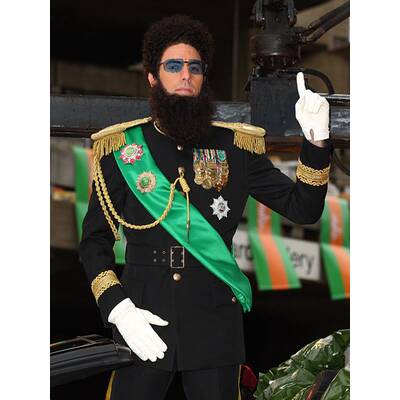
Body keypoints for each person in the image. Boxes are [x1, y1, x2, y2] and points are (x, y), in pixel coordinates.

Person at [79, 14, 331, 400]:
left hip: (214, 321)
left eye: (194, 67)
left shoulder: (236, 147)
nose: (185, 75)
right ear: (153, 77)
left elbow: (303, 209)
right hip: (142, 314)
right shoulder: (123, 148)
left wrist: (316, 141)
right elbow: (94, 242)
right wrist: (118, 308)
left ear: (202, 78)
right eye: (173, 66)